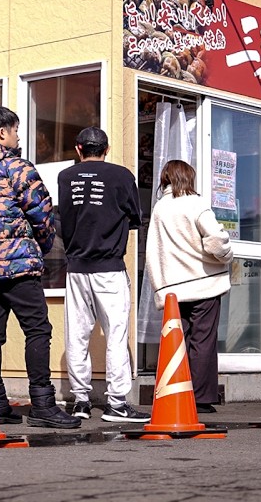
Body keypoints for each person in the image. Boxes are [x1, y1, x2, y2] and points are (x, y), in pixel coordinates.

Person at [0, 106, 79, 429]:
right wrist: (45, 244)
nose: (18, 136)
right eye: (16, 130)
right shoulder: (17, 168)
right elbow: (42, 213)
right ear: (2, 134)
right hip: (18, 264)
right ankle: (42, 404)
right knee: (38, 329)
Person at [58, 127, 150, 423]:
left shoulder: (65, 177)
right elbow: (135, 217)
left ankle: (81, 401)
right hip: (109, 267)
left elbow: (63, 218)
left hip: (75, 268)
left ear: (78, 149)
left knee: (77, 335)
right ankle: (117, 403)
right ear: (106, 149)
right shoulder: (121, 175)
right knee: (116, 334)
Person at [145, 159, 234, 414]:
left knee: (177, 341)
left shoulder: (160, 208)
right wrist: (227, 255)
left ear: (165, 179)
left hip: (173, 287)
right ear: (189, 178)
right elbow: (216, 240)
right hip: (204, 283)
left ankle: (175, 393)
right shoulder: (196, 203)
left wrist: (158, 286)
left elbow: (154, 251)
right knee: (203, 340)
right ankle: (202, 398)